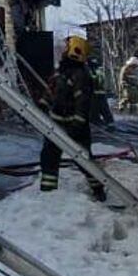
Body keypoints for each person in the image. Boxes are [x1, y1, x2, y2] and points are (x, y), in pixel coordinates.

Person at [41, 35, 106, 200]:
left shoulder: (80, 75)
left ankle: (98, 189)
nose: (63, 50)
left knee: (83, 159)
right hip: (56, 122)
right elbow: (51, 91)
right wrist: (42, 104)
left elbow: (83, 101)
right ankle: (47, 194)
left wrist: (78, 124)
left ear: (74, 50)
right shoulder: (61, 72)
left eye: (66, 47)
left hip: (75, 126)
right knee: (49, 156)